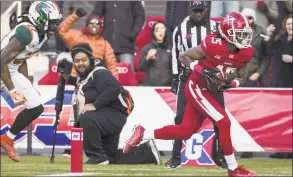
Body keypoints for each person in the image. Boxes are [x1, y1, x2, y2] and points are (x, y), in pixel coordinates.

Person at [123, 12, 257, 177]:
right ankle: (233, 169)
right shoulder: (213, 44)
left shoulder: (246, 51)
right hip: (197, 87)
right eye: (240, 34)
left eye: (246, 33)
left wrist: (233, 83)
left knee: (186, 131)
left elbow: (242, 74)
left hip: (214, 91)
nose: (244, 38)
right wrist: (202, 70)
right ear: (227, 33)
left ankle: (142, 134)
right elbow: (183, 56)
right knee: (223, 122)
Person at [62, 43, 161, 165]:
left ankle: (96, 157)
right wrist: (67, 78)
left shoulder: (99, 72)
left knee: (86, 118)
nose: (81, 63)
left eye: (84, 60)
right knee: (110, 156)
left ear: (91, 59)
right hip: (108, 117)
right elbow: (81, 82)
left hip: (113, 115)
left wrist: (95, 105)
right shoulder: (86, 75)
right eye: (77, 61)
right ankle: (147, 152)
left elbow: (113, 88)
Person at [0, 1, 62, 162]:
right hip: (3, 67)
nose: (56, 26)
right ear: (41, 19)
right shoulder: (27, 32)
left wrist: (27, 83)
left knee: (36, 107)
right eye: (53, 22)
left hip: (10, 70)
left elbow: (22, 57)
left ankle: (7, 139)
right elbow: (1, 60)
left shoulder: (39, 34)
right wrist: (13, 91)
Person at [169, 1, 226, 169]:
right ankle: (175, 156)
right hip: (188, 77)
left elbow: (224, 51)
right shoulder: (181, 28)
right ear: (190, 10)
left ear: (206, 10)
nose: (199, 14)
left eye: (201, 11)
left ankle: (220, 156)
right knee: (180, 117)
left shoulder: (216, 27)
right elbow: (175, 52)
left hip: (212, 79)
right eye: (196, 11)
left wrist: (222, 73)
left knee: (220, 118)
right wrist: (174, 76)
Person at [58, 8, 119, 80]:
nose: (94, 25)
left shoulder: (105, 44)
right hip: (75, 78)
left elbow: (112, 65)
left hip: (95, 79)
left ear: (100, 27)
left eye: (97, 23)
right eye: (91, 23)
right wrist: (75, 16)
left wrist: (116, 83)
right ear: (87, 25)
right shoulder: (77, 36)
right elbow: (61, 30)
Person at [91, 1, 145, 74]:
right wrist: (93, 26)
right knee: (106, 78)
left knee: (128, 78)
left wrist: (134, 33)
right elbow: (96, 14)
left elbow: (140, 16)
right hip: (108, 45)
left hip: (126, 45)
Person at [139, 22, 172, 86]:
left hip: (167, 86)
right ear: (153, 33)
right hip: (150, 86)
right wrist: (147, 58)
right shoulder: (147, 48)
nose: (160, 31)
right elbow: (141, 68)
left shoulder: (171, 48)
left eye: (162, 29)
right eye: (157, 29)